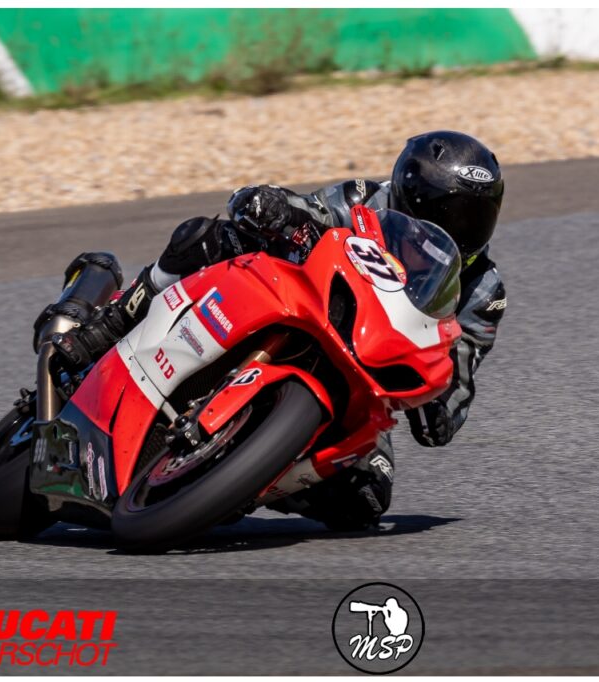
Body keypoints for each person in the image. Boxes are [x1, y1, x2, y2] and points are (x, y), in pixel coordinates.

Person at [45, 130, 507, 530]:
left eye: (476, 216)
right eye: (448, 212)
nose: (460, 228)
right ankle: (109, 324)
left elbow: (454, 391)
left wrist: (437, 404)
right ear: (410, 196)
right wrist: (274, 207)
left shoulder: (483, 291)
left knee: (364, 497)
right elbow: (304, 211)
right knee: (207, 237)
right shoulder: (363, 201)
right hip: (296, 309)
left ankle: (235, 478)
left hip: (363, 379)